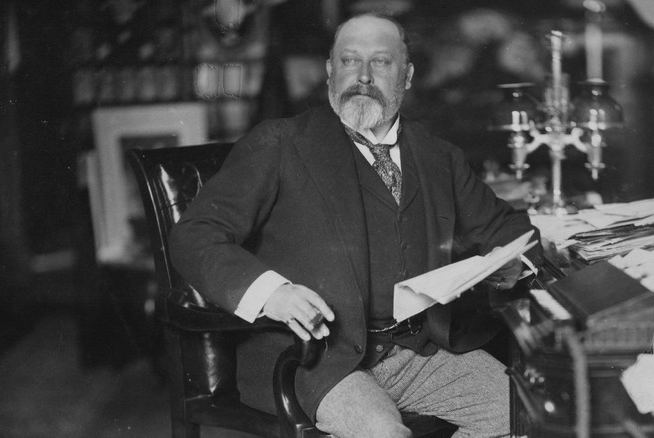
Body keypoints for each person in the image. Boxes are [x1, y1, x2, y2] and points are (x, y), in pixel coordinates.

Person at [170, 12, 542, 438]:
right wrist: (273, 293)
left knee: (523, 412)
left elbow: (508, 229)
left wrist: (514, 264)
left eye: (381, 63)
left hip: (418, 349)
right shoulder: (280, 143)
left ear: (407, 76)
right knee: (380, 433)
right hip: (312, 360)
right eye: (349, 61)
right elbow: (195, 234)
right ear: (330, 72)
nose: (363, 76)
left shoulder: (438, 157)